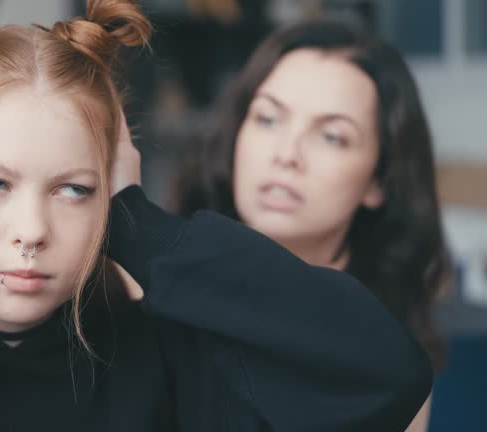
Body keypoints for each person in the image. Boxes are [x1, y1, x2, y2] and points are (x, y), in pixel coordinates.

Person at [0, 3, 432, 431]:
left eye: (73, 190)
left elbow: (384, 376)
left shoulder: (167, 364)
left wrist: (135, 225)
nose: (31, 230)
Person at [173, 20, 451, 432]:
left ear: (378, 181)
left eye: (332, 137)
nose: (287, 154)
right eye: (268, 119)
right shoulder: (158, 282)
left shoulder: (392, 357)